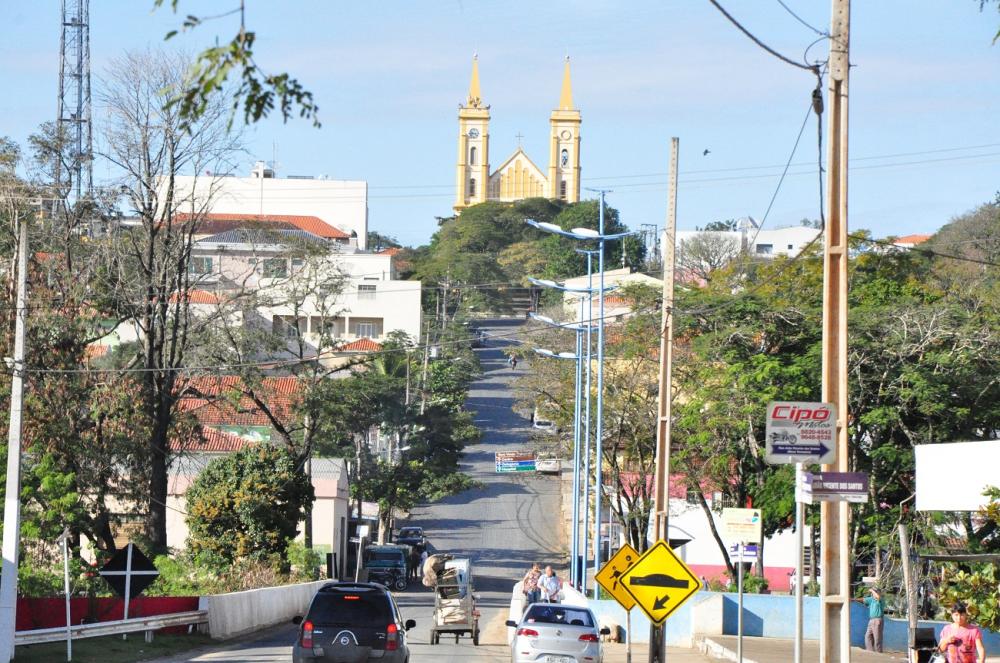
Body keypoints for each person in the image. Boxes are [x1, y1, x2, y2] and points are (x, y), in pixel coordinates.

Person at [855, 587, 885, 652]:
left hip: (878, 620)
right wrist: (852, 599)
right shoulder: (871, 599)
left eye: (875, 592)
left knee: (877, 638)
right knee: (867, 637)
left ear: (878, 593)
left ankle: (879, 653)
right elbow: (862, 599)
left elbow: (878, 597)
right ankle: (870, 651)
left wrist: (872, 590)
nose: (873, 593)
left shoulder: (880, 599)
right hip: (871, 620)